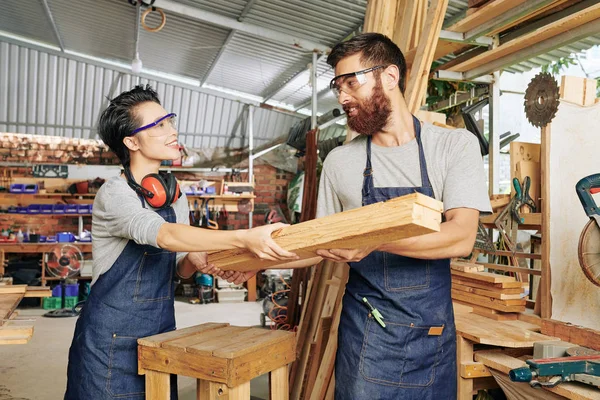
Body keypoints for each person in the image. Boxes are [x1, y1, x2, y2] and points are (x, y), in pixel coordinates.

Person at [64, 85, 298, 400]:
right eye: (158, 126)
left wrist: (196, 259)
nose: (172, 131)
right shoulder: (115, 193)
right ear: (132, 141)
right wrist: (245, 237)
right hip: (110, 341)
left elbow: (180, 269)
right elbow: (165, 235)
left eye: (170, 121)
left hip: (160, 333)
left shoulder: (176, 197)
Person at [314, 33, 492, 399]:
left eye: (351, 82)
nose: (343, 97)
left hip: (432, 334)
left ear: (390, 77)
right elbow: (321, 243)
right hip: (368, 339)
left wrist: (372, 239)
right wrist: (253, 258)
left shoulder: (453, 146)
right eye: (338, 87)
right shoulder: (340, 162)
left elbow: (460, 237)